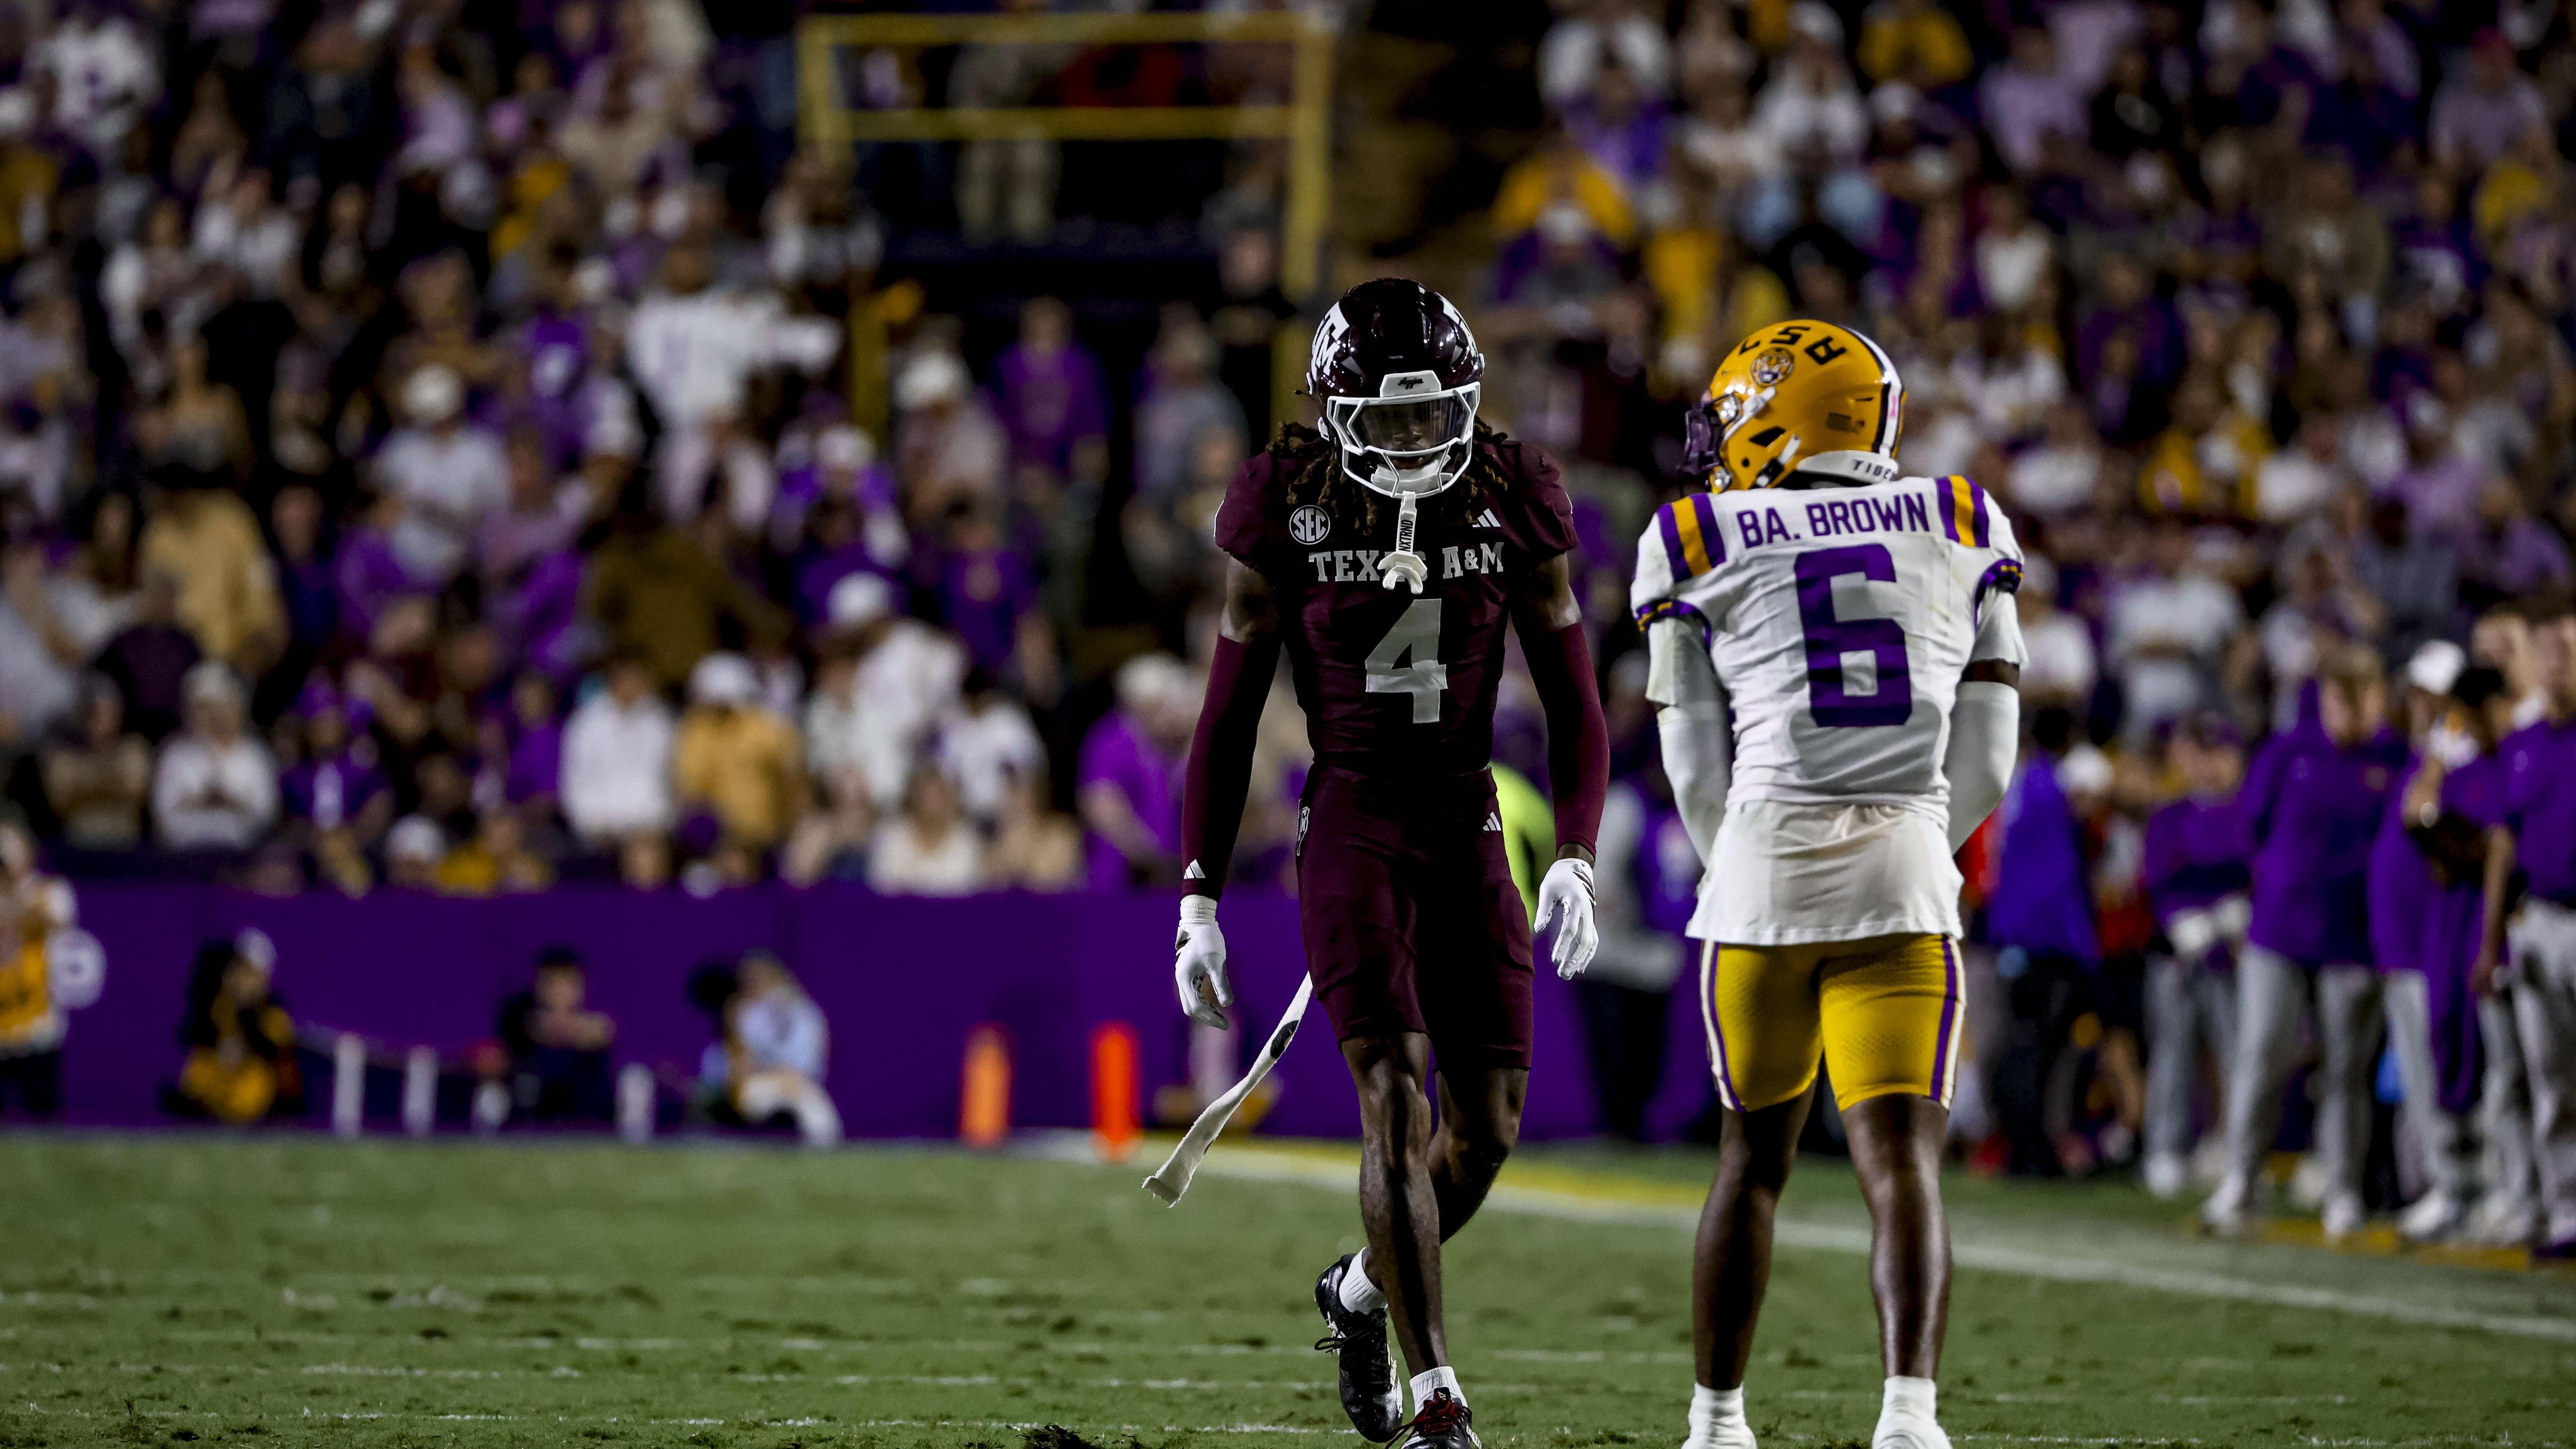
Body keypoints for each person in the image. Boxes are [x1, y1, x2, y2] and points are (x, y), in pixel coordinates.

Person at [1173, 280, 1608, 1448]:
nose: (1416, 437)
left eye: (1433, 415)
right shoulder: (1283, 499)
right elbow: (1225, 715)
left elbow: (1574, 700)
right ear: (1334, 408)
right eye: (1391, 415)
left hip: (1464, 818)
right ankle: (1438, 1399)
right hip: (1354, 818)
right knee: (1389, 1093)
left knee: (1487, 1126)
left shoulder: (1515, 488)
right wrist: (1199, 891)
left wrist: (1574, 848)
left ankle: (1360, 1289)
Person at [1633, 319, 2023, 1449]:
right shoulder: (1958, 517)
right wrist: (1918, 844)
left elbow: (1692, 750)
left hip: (1761, 871)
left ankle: (1716, 1419)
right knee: (1902, 1163)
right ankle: (1909, 1412)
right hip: (1908, 872)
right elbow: (1988, 753)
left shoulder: (1698, 531)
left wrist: (1746, 854)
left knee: (1749, 1160)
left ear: (1778, 419)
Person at [2205, 644, 2407, 1240]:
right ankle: (2240, 1181)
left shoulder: (2393, 760)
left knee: (2345, 1070)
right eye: (2342, 695)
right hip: (2278, 930)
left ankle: (2342, 1190)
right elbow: (2248, 826)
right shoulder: (2288, 751)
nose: (2351, 708)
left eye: (2362, 695)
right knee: (2261, 1054)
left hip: (2353, 937)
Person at [2387, 660, 2517, 1242]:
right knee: (2452, 1041)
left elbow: (2496, 847)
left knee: (2508, 1062)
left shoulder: (2512, 760)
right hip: (2451, 917)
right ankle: (2466, 1189)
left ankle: (2509, 1189)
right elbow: (2416, 815)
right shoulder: (2456, 767)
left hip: (2497, 921)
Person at [2482, 604, 2576, 1257]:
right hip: (2540, 917)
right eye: (2548, 652)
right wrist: (2490, 936)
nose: (2556, 665)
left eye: (2567, 651)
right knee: (2552, 1078)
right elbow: (2502, 843)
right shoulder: (2521, 743)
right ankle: (2567, 1210)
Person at [2139, 715, 2250, 1199]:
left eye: (2220, 753)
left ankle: (2237, 1149)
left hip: (2235, 953)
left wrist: (2236, 914)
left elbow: (2259, 870)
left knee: (2239, 1055)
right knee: (2173, 1051)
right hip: (2181, 953)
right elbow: (2156, 878)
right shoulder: (2172, 815)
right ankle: (2165, 1149)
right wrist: (2180, 920)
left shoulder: (2248, 811)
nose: (2211, 765)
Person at [170, 930, 301, 1124]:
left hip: (250, 1085)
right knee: (196, 1072)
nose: (242, 978)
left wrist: (248, 1019)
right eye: (239, 969)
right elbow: (193, 1034)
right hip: (219, 1077)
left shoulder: (272, 1010)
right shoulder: (216, 1003)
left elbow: (275, 1052)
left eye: (250, 973)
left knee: (257, 1086)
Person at [151, 662, 278, 850]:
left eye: (211, 707)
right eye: (198, 708)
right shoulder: (175, 753)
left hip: (242, 858)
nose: (206, 716)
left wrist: (230, 801)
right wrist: (202, 800)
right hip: (185, 857)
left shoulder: (255, 754)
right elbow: (163, 816)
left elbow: (266, 814)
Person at [485, 946, 616, 1125]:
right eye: (552, 982)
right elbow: (532, 1027)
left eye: (568, 982)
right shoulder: (517, 1013)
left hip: (588, 1125)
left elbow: (602, 1031)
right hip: (528, 1124)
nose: (559, 991)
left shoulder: (596, 1019)